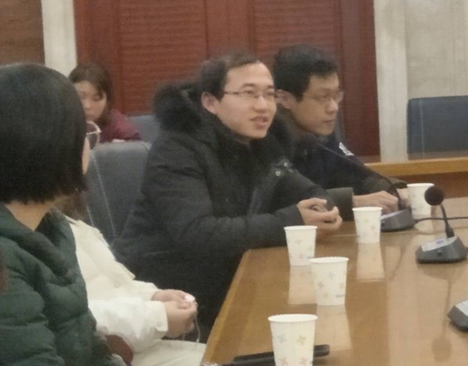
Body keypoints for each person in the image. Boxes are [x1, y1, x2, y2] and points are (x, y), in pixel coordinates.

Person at [114, 51, 342, 332]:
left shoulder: (262, 145)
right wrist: (293, 220)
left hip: (231, 284)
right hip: (170, 300)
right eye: (249, 94)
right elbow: (198, 234)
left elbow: (309, 193)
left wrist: (322, 210)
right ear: (211, 102)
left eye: (269, 95)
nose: (263, 106)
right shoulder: (177, 149)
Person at [0, 63, 122, 365]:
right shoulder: (2, 258)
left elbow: (91, 350)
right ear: (49, 146)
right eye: (81, 131)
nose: (87, 143)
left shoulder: (52, 228)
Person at [273, 45, 406, 221]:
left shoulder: (321, 133)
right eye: (322, 97)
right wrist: (350, 202)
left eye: (336, 95)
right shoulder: (267, 139)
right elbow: (282, 200)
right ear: (285, 99)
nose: (333, 107)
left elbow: (356, 175)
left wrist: (394, 190)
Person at [69, 218, 204, 366]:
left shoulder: (68, 224)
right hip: (108, 354)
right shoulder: (52, 235)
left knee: (216, 354)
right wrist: (158, 317)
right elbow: (80, 317)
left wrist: (154, 297)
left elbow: (115, 285)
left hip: (136, 347)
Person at [69, 63, 141, 143]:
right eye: (80, 97)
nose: (87, 106)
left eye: (96, 99)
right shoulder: (61, 123)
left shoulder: (122, 131)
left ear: (107, 100)